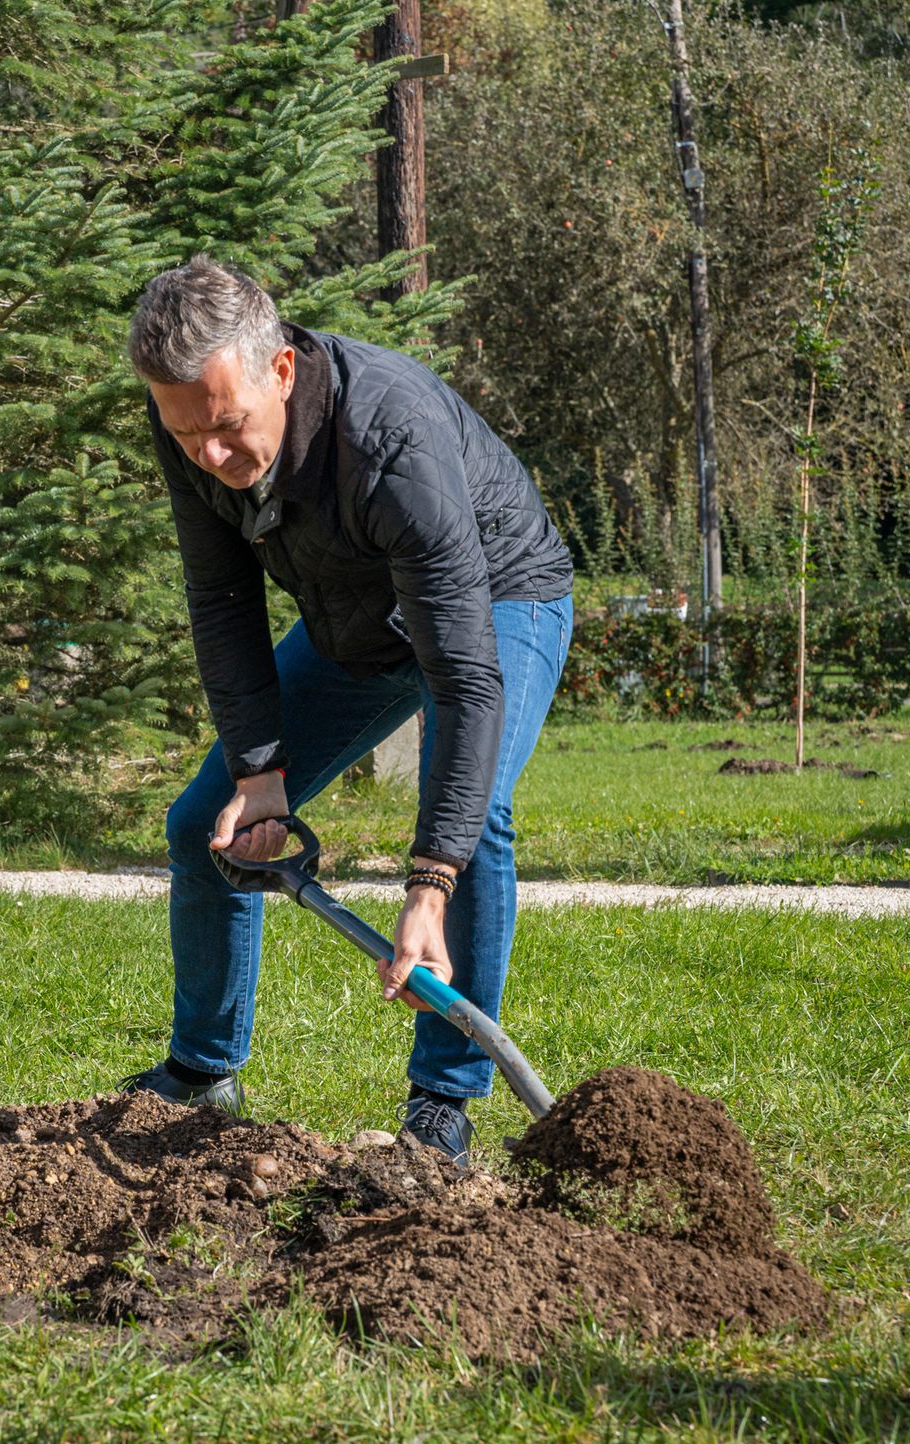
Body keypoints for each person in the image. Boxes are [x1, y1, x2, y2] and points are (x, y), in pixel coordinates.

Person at [121, 257, 574, 1167]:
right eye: (185, 435)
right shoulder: (187, 420)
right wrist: (259, 771)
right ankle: (204, 1075)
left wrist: (427, 886)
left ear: (280, 370)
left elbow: (466, 680)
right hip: (358, 626)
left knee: (474, 820)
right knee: (203, 829)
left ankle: (443, 1103)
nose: (210, 456)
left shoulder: (390, 441)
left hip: (498, 600)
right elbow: (222, 601)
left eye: (226, 427)